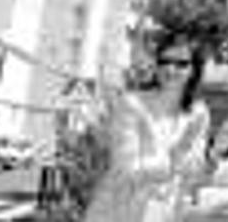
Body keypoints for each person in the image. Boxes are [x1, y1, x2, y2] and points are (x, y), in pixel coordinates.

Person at [83, 25, 211, 222]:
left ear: (195, 69)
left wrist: (216, 154)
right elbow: (125, 169)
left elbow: (193, 175)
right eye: (164, 61)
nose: (170, 69)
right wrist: (176, 154)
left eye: (181, 63)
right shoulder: (132, 104)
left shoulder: (198, 112)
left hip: (165, 214)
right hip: (117, 213)